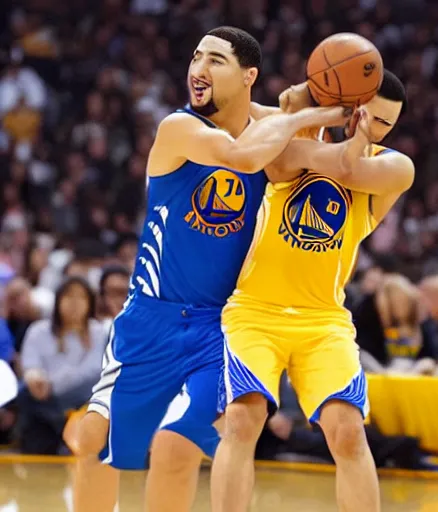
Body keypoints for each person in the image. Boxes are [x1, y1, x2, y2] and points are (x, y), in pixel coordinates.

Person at [70, 26, 345, 512]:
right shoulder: (178, 128)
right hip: (152, 316)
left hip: (221, 326)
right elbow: (242, 155)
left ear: (248, 76)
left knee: (181, 448)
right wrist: (312, 112)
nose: (198, 69)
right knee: (99, 442)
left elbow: (296, 162)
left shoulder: (271, 125)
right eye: (196, 57)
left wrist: (318, 113)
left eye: (215, 60)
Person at [211, 70, 414, 512]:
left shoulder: (396, 166)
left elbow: (346, 166)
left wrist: (317, 128)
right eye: (369, 115)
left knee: (348, 432)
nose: (374, 127)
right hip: (254, 311)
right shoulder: (300, 130)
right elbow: (279, 164)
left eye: (385, 124)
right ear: (351, 103)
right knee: (243, 421)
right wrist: (308, 106)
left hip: (323, 320)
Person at [19, 276, 103, 454]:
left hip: (83, 402)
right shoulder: (38, 330)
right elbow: (30, 365)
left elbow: (94, 370)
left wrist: (53, 385)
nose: (74, 303)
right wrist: (35, 378)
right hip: (44, 402)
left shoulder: (99, 332)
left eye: (81, 297)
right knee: (26, 394)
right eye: (68, 296)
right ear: (58, 300)